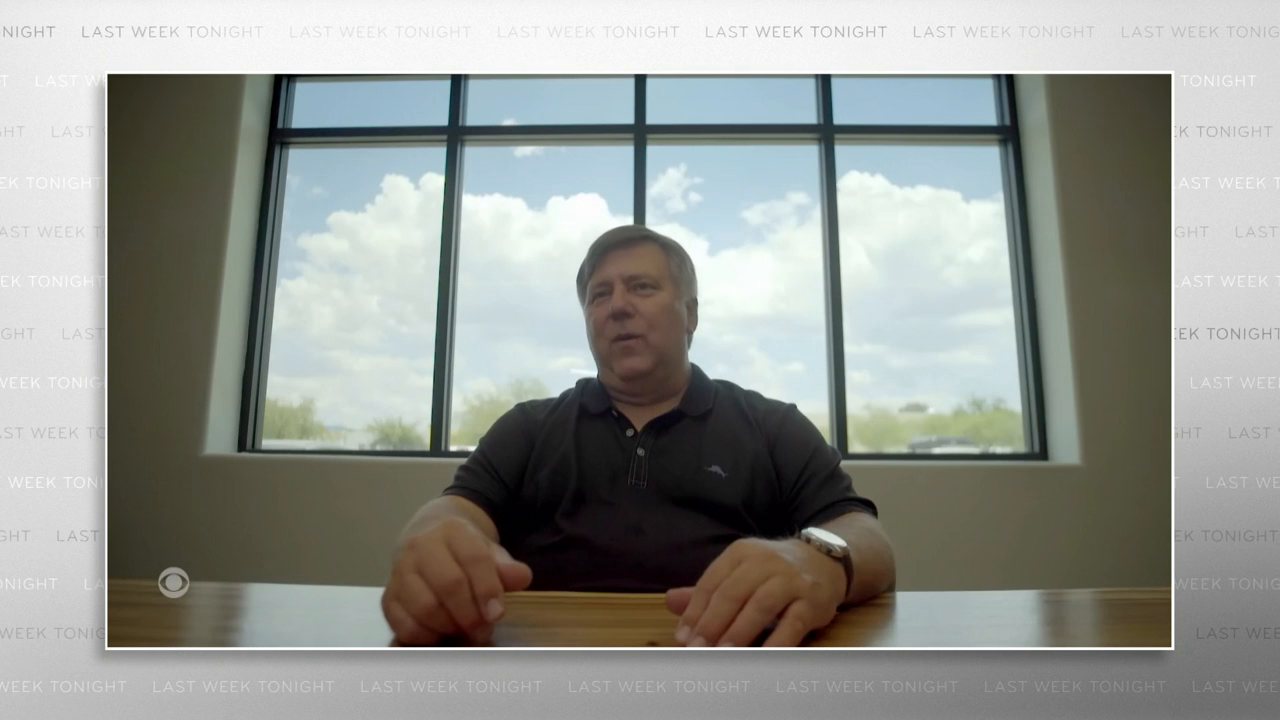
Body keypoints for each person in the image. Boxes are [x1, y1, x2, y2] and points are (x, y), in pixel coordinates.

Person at [382, 224, 895, 647]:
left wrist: (817, 561)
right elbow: (454, 511)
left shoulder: (771, 424)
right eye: (599, 295)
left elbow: (867, 539)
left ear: (690, 314)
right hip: (546, 667)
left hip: (728, 662)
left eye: (642, 287)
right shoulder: (529, 426)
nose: (617, 306)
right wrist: (431, 541)